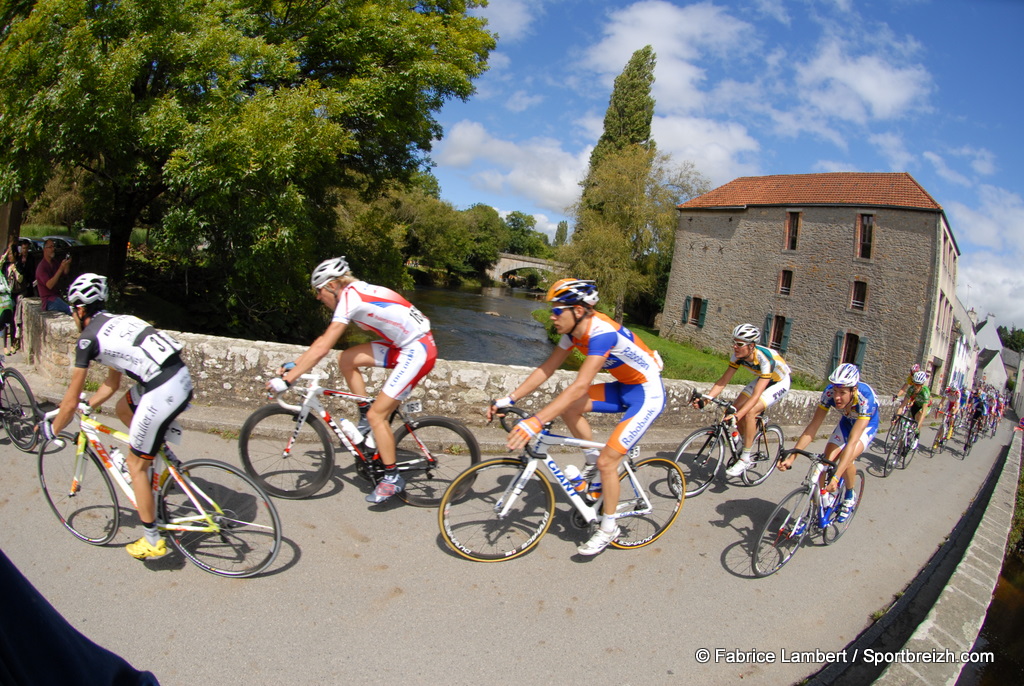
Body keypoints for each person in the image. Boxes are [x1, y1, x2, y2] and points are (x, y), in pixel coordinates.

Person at [489, 278, 665, 556]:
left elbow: (581, 385)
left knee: (610, 462)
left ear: (579, 310)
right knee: (572, 410)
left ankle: (608, 529)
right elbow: (546, 369)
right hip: (623, 387)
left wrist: (535, 420)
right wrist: (509, 398)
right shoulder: (572, 334)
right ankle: (593, 468)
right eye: (553, 310)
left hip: (647, 394)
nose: (552, 315)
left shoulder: (601, 333)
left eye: (558, 310)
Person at [45, 273, 193, 560]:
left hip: (163, 389)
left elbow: (68, 401)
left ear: (80, 309)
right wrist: (90, 405)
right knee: (123, 408)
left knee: (135, 465)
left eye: (73, 309)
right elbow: (112, 385)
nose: (73, 315)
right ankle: (160, 451)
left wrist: (52, 431)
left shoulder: (88, 339)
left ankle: (152, 540)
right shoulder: (116, 321)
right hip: (177, 377)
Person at [268, 257, 436, 504]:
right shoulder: (354, 292)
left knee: (378, 416)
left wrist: (288, 380)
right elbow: (323, 340)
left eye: (319, 291)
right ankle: (364, 412)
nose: (317, 297)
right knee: (347, 359)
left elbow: (325, 345)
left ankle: (392, 478)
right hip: (403, 344)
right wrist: (298, 364)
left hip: (418, 349)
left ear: (333, 286)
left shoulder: (351, 297)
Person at [779, 363, 878, 523]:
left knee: (848, 458)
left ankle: (849, 495)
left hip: (866, 425)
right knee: (824, 462)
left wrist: (837, 477)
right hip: (846, 422)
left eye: (842, 392)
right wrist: (792, 457)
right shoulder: (829, 393)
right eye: (835, 390)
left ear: (853, 390)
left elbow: (852, 441)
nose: (837, 397)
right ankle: (823, 499)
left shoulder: (865, 399)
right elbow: (813, 427)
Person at [691, 323, 791, 477]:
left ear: (751, 346)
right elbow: (723, 381)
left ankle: (745, 458)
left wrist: (738, 416)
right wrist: (707, 399)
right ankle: (746, 440)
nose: (734, 347)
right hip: (762, 379)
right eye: (734, 342)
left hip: (779, 382)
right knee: (732, 409)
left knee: (749, 412)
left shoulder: (765, 360)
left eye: (739, 344)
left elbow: (756, 395)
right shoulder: (737, 357)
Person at [35, 238, 73, 314]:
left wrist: (67, 264)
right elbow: (49, 285)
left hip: (57, 297)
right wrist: (61, 268)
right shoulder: (41, 267)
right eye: (50, 247)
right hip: (49, 300)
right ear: (45, 249)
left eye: (54, 246)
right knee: (70, 311)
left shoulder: (54, 262)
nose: (53, 249)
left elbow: (65, 273)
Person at [895, 370, 931, 449]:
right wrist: (896, 417)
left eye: (918, 385)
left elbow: (924, 411)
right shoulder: (911, 389)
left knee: (919, 414)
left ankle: (916, 437)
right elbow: (903, 405)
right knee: (906, 424)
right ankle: (900, 449)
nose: (916, 386)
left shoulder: (925, 392)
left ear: (922, 384)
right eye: (915, 384)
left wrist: (918, 427)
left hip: (924, 407)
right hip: (915, 405)